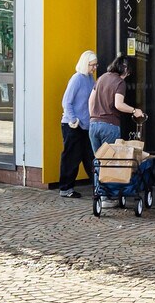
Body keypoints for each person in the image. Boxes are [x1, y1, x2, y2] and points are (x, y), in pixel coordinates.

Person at [56, 50, 98, 196]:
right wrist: (73, 119)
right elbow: (66, 102)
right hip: (72, 125)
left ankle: (98, 186)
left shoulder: (90, 79)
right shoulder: (77, 79)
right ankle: (66, 188)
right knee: (71, 157)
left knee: (89, 156)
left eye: (95, 65)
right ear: (86, 64)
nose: (94, 68)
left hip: (85, 125)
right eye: (92, 65)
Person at [88, 56, 144, 155]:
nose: (127, 76)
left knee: (98, 160)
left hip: (93, 125)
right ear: (125, 69)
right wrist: (134, 111)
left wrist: (94, 116)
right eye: (128, 73)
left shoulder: (102, 78)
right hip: (109, 126)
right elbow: (118, 104)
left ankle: (97, 171)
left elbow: (91, 100)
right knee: (109, 161)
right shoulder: (120, 82)